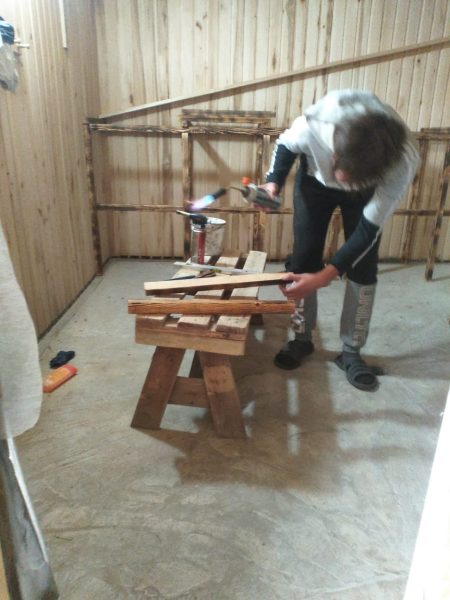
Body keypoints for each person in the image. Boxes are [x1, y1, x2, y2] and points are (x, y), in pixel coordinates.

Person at [259, 89, 420, 391]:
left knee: (363, 265)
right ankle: (301, 338)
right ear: (333, 152)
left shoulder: (402, 160)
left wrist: (325, 277)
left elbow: (367, 231)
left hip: (366, 191)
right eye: (341, 171)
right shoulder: (314, 126)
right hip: (314, 182)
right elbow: (285, 146)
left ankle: (351, 352)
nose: (341, 180)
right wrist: (273, 183)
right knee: (303, 259)